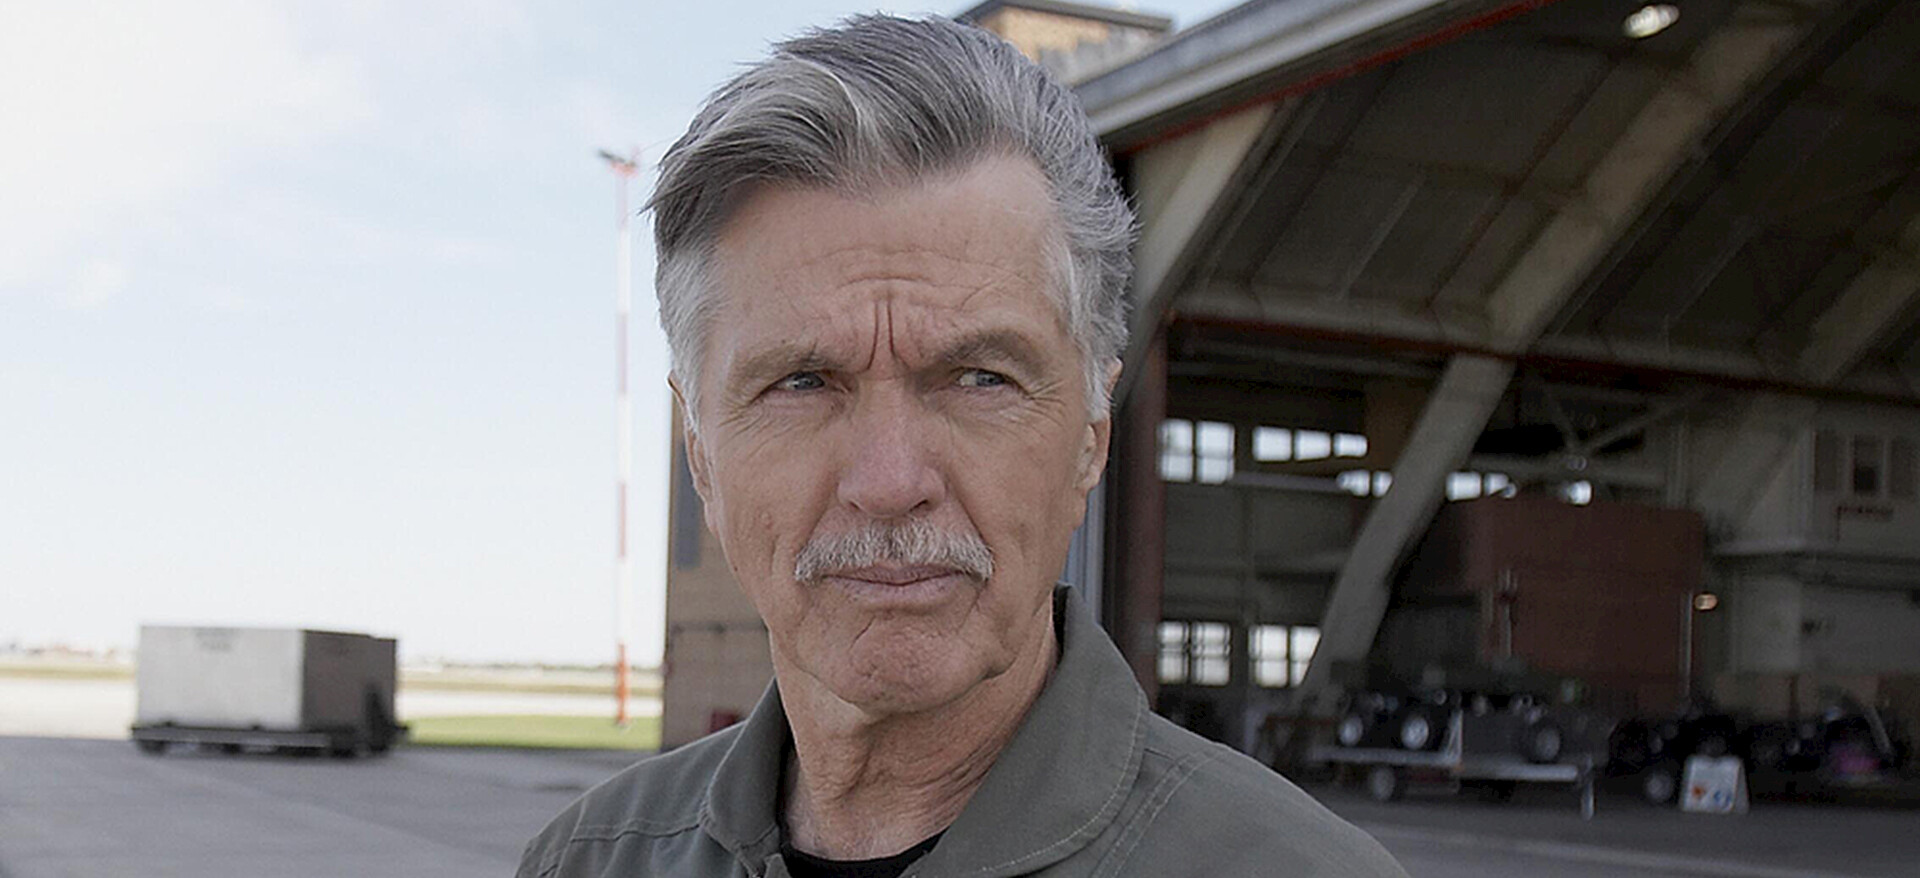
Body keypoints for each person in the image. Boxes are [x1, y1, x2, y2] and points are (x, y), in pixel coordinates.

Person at [519, 14, 1408, 878]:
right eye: (802, 382)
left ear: (1091, 435)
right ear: (701, 455)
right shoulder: (586, 862)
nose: (889, 481)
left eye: (981, 378)